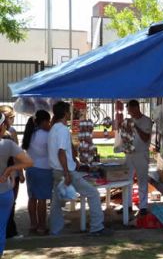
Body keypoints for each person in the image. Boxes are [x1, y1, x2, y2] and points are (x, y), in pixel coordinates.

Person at [48, 101, 111, 236]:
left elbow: (63, 151)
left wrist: (74, 160)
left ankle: (55, 230)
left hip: (56, 171)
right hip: (65, 171)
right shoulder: (62, 129)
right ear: (65, 113)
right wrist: (67, 173)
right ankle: (97, 227)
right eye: (69, 111)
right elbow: (61, 152)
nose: (70, 113)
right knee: (93, 193)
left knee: (56, 203)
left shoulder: (53, 128)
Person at [0, 113, 33, 256]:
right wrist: (11, 169)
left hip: (5, 190)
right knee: (1, 229)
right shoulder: (7, 144)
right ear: (2, 126)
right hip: (4, 191)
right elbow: (29, 162)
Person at [22, 110, 53, 235]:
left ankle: (33, 224)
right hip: (43, 170)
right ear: (44, 122)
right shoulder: (46, 135)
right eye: (49, 122)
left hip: (30, 169)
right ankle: (41, 227)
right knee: (41, 200)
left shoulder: (30, 134)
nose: (49, 124)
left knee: (32, 198)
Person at [0, 105, 25, 239]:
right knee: (8, 203)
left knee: (10, 203)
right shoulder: (9, 135)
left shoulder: (12, 132)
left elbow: (17, 156)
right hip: (8, 174)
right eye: (11, 117)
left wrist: (20, 172)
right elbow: (17, 156)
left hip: (10, 173)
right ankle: (9, 232)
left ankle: (9, 230)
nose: (13, 120)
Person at [125, 100, 153, 216]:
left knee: (142, 180)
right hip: (129, 154)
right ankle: (127, 206)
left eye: (131, 110)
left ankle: (143, 207)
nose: (129, 113)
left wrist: (136, 126)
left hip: (142, 154)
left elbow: (146, 138)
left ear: (136, 108)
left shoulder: (146, 121)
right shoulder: (129, 121)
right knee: (127, 180)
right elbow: (126, 136)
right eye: (128, 111)